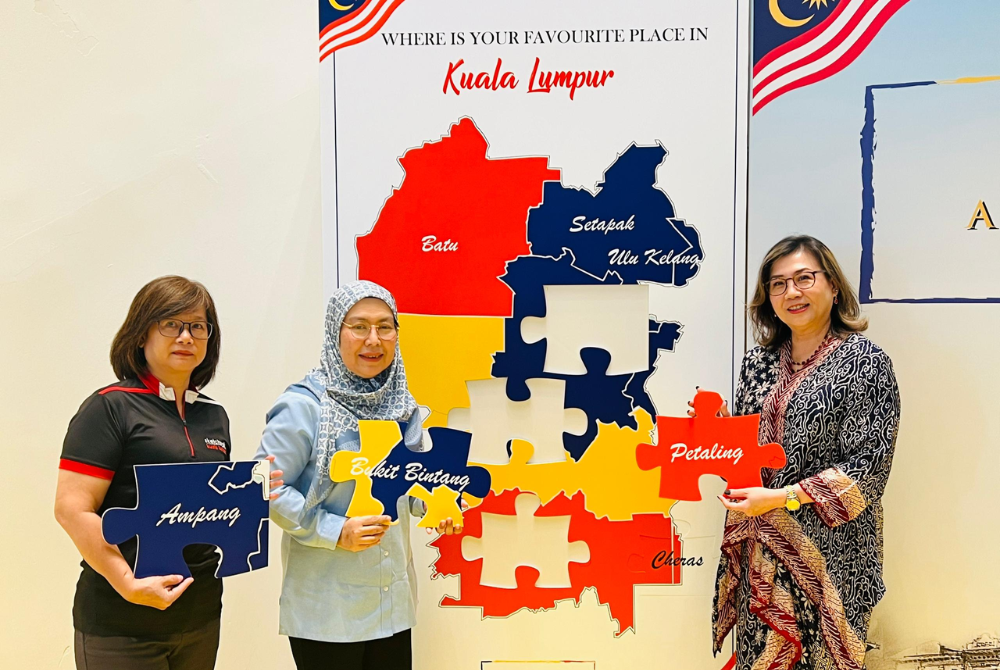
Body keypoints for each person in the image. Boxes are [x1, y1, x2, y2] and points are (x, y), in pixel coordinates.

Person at [54, 275, 282, 670]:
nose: (186, 336)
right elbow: (71, 509)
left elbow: (204, 507)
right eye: (171, 324)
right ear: (141, 335)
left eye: (198, 326)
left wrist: (253, 493)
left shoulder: (214, 416)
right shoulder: (109, 408)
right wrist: (127, 583)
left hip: (200, 617)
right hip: (120, 623)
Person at [706, 236, 901, 670]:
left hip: (832, 561)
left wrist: (781, 498)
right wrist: (721, 435)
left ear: (832, 286)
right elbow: (751, 463)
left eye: (803, 278)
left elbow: (866, 470)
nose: (791, 292)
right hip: (761, 557)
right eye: (777, 284)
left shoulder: (865, 362)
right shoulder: (757, 364)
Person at [257, 280, 461, 670]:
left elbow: (411, 485)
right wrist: (335, 531)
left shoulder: (403, 406)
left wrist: (438, 505)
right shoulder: (303, 405)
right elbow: (266, 487)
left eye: (385, 327)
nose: (373, 339)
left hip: (392, 605)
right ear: (336, 332)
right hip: (327, 615)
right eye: (359, 326)